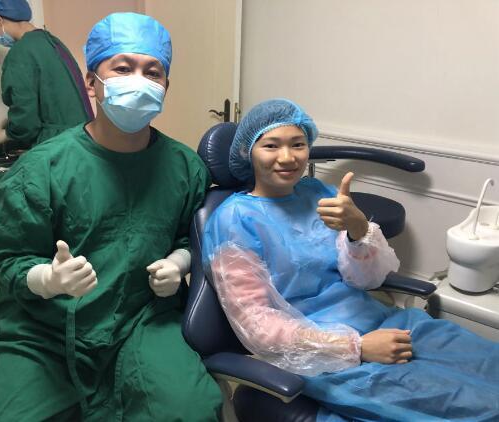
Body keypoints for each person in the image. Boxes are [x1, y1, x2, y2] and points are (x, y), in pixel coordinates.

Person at [0, 12, 222, 421]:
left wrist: (180, 261)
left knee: (190, 409)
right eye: (122, 68)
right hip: (45, 325)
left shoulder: (185, 167)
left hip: (142, 319)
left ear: (165, 87)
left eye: (152, 72)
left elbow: (191, 237)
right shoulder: (42, 169)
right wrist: (46, 278)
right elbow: (9, 259)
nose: (138, 80)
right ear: (91, 83)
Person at [202, 98, 499, 421]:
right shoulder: (234, 219)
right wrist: (355, 347)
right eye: (271, 145)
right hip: (323, 354)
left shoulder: (320, 194)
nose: (287, 157)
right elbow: (257, 324)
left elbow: (369, 280)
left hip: (386, 320)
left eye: (298, 144)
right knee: (474, 405)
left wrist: (358, 228)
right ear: (247, 151)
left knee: (487, 361)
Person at [0, 0, 93, 148]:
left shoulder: (20, 53)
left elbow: (26, 123)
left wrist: (7, 134)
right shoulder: (52, 41)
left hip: (59, 145)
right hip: (84, 136)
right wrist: (12, 120)